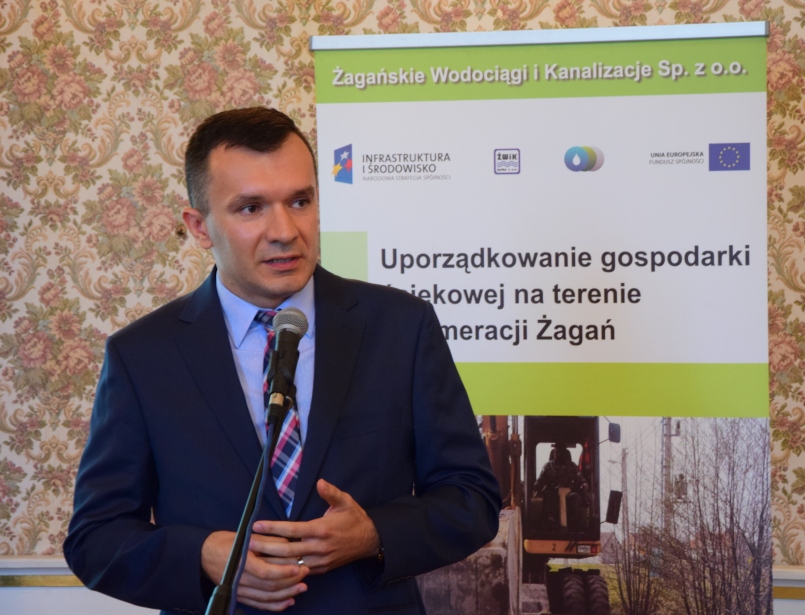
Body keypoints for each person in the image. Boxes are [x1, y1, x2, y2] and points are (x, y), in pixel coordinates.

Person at [63, 107, 502, 615]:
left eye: (300, 201)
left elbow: (471, 498)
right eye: (251, 208)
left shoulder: (401, 327)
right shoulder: (142, 355)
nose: (285, 230)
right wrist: (203, 556)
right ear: (200, 227)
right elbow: (95, 537)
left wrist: (374, 534)